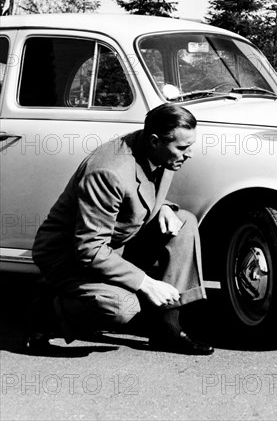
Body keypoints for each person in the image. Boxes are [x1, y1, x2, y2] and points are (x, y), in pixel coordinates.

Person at [28, 103, 213, 356]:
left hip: (116, 242)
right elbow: (89, 250)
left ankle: (167, 327)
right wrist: (147, 283)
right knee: (122, 307)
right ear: (155, 141)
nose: (189, 154)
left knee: (184, 222)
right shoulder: (109, 171)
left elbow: (135, 196)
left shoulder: (155, 150)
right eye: (182, 148)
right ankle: (45, 314)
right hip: (69, 255)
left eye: (190, 145)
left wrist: (164, 207)